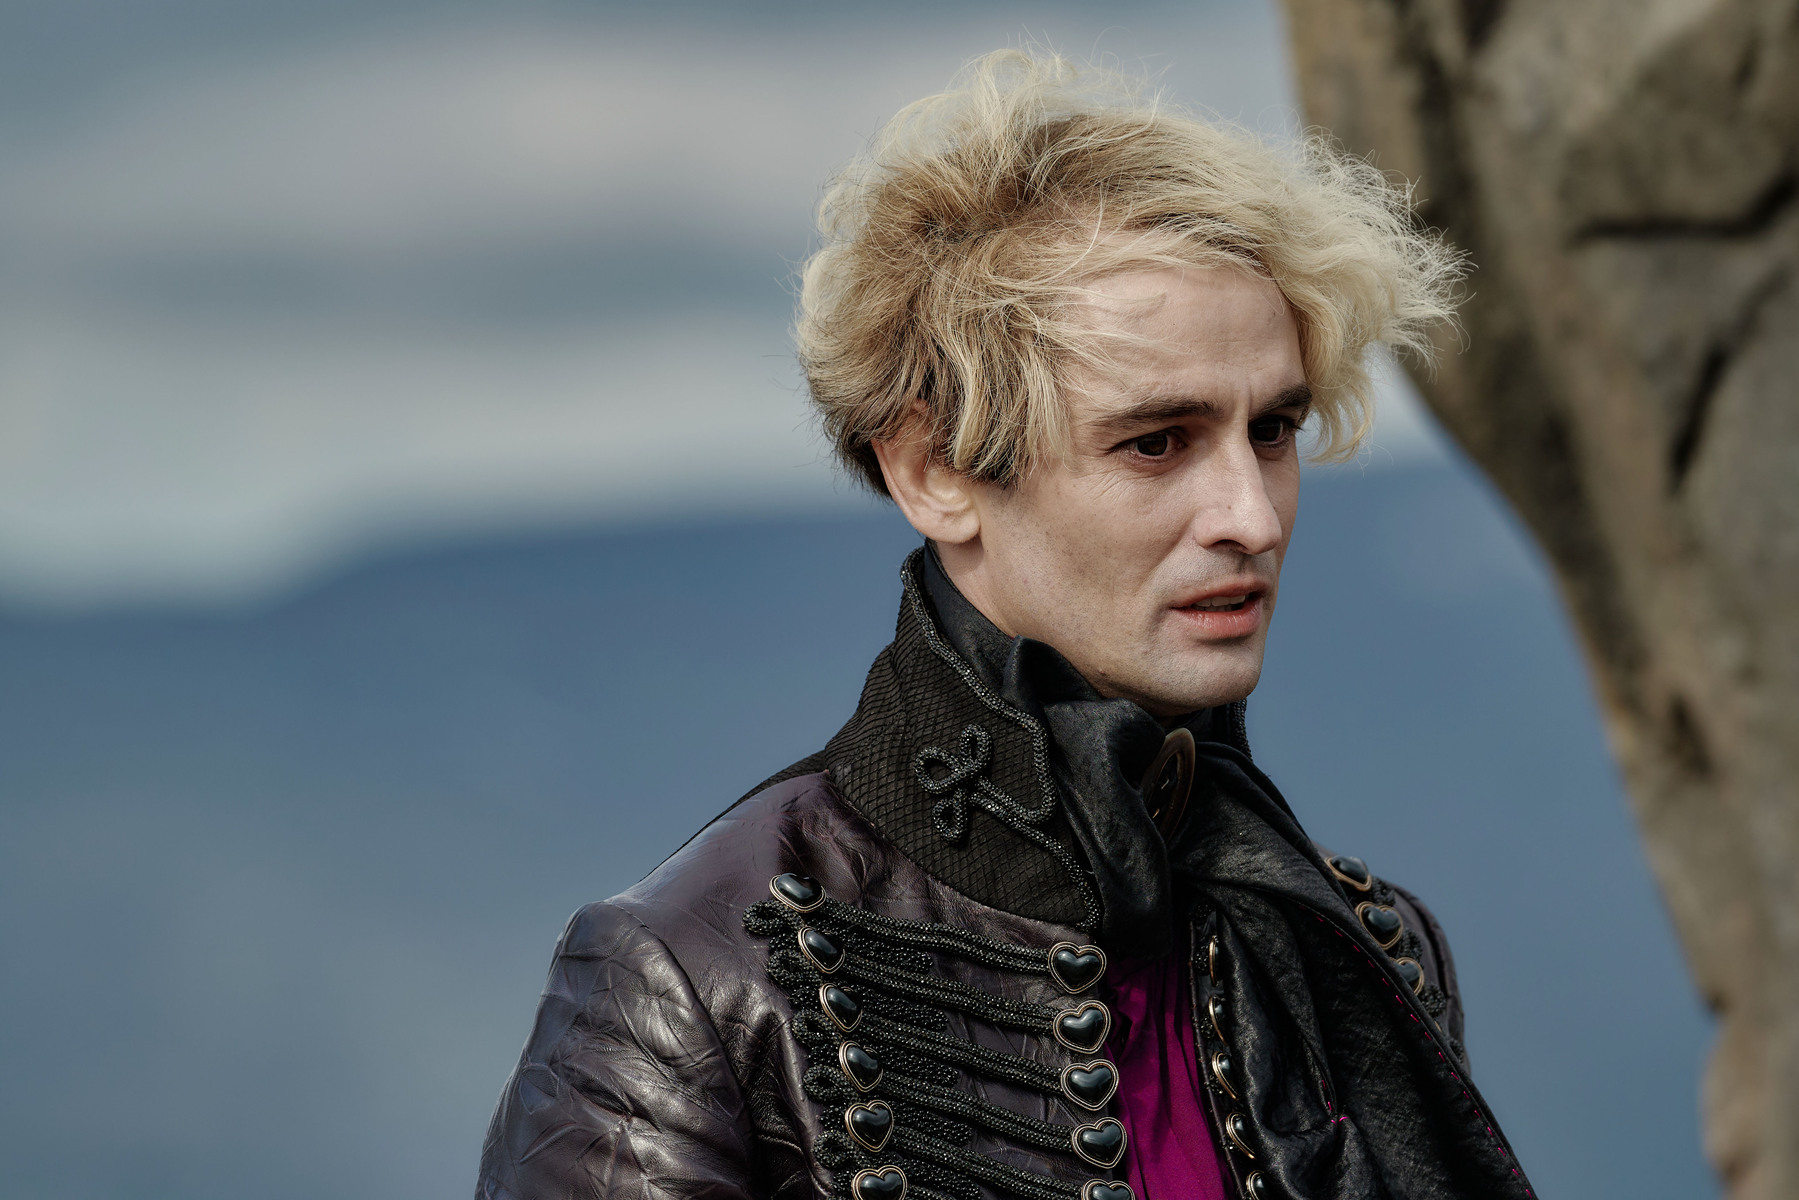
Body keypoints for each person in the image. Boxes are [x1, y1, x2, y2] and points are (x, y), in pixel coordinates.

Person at [477, 50, 1533, 1200]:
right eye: (1155, 442)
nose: (1249, 515)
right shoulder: (690, 983)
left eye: (1272, 430)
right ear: (932, 470)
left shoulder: (1361, 948)